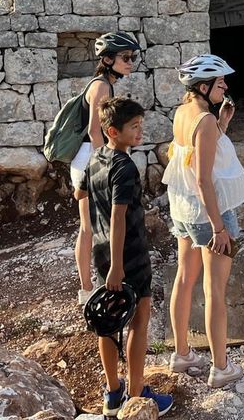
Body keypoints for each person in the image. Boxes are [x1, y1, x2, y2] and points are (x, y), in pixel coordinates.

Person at [76, 97, 174, 416]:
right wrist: (119, 267)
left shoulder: (95, 160)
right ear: (112, 131)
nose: (139, 131)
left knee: (106, 323)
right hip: (128, 255)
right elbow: (119, 216)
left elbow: (80, 192)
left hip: (102, 251)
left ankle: (112, 393)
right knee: (139, 321)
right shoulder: (125, 166)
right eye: (134, 127)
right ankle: (136, 393)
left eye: (140, 125)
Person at [163, 54, 244, 389]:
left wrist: (223, 123)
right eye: (220, 81)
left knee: (185, 278)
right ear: (203, 85)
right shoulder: (205, 121)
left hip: (182, 207)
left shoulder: (184, 113)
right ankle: (221, 367)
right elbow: (204, 179)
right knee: (215, 290)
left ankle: (182, 353)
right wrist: (218, 227)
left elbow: (194, 157)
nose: (225, 85)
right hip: (207, 212)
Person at [73, 31, 141, 306]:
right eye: (125, 57)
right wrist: (108, 160)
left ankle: (91, 285)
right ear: (107, 59)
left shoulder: (105, 84)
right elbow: (93, 130)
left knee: (91, 226)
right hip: (92, 159)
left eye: (133, 57)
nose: (130, 62)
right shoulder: (101, 86)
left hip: (91, 158)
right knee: (88, 227)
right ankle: (88, 289)